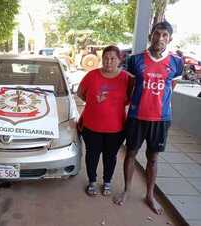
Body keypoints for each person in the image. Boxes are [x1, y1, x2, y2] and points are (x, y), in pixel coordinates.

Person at [114, 21, 184, 214]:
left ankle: (149, 195)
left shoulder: (177, 63)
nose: (160, 38)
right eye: (157, 34)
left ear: (170, 39)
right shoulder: (135, 60)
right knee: (130, 154)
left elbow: (171, 88)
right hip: (137, 117)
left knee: (153, 158)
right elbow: (129, 88)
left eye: (164, 36)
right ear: (150, 35)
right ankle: (127, 190)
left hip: (161, 119)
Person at [77, 45, 133, 196]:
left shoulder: (126, 78)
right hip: (91, 127)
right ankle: (92, 182)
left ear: (119, 60)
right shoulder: (92, 75)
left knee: (110, 157)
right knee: (92, 155)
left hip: (116, 128)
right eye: (106, 59)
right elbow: (81, 93)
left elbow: (129, 99)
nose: (108, 62)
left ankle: (107, 181)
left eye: (113, 59)